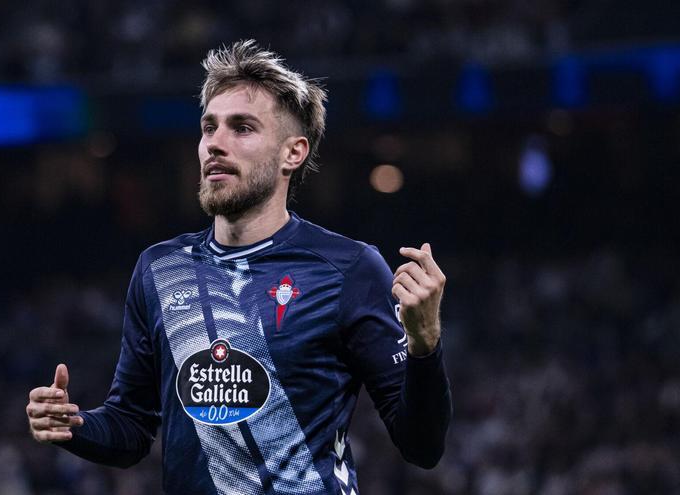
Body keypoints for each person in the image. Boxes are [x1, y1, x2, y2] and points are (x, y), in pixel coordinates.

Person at [26, 40, 452, 494]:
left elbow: (422, 446)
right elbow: (131, 428)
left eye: (242, 128)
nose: (215, 144)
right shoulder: (159, 269)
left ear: (294, 153)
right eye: (209, 128)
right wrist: (75, 425)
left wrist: (425, 346)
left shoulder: (348, 269)